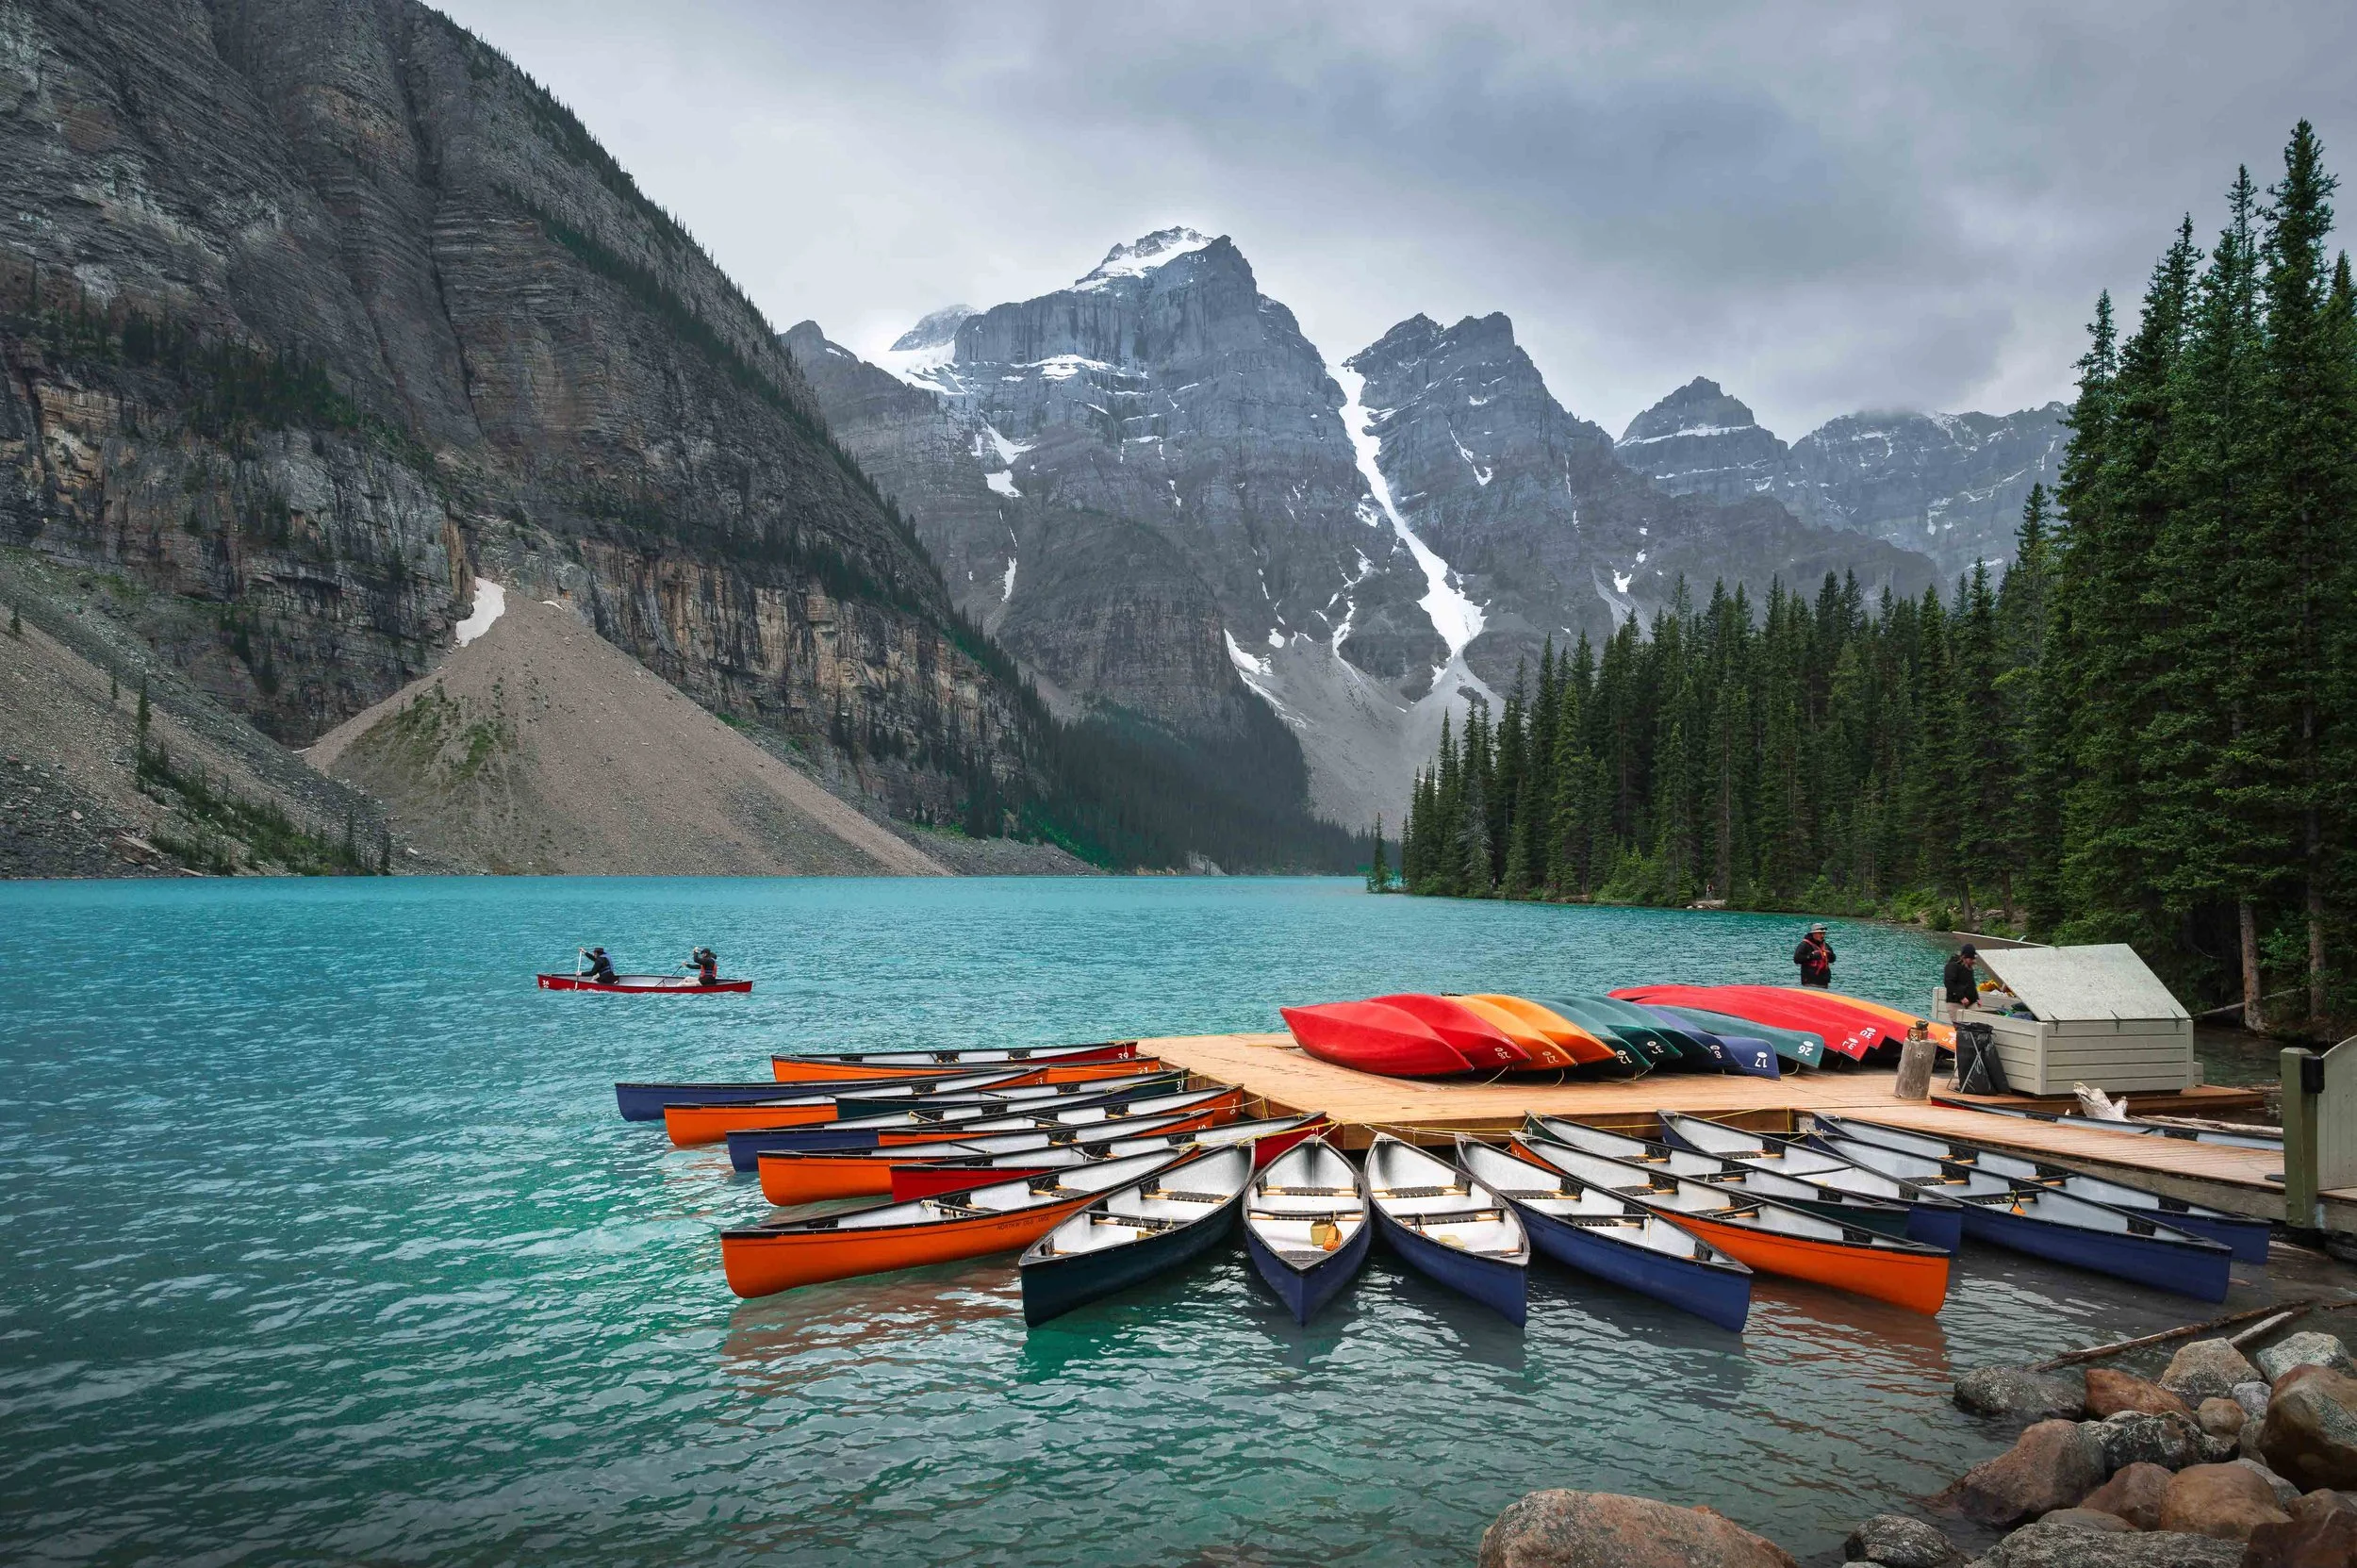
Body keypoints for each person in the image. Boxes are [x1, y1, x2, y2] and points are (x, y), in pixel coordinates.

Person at [1942, 943, 1981, 1018]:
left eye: (1974, 958)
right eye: (1971, 959)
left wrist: (1977, 998)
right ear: (1964, 957)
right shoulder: (1952, 966)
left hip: (1971, 1002)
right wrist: (1962, 997)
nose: (1973, 961)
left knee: (1975, 1024)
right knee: (1960, 1026)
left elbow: (1972, 984)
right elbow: (1949, 982)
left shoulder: (1969, 968)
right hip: (1955, 1002)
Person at [1792, 923, 1836, 988]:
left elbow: (1833, 959)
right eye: (1820, 934)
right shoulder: (1804, 945)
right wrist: (1811, 956)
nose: (1823, 936)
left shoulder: (1826, 946)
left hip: (1824, 982)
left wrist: (1830, 956)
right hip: (1809, 982)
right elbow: (1797, 959)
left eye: (1824, 933)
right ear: (1814, 934)